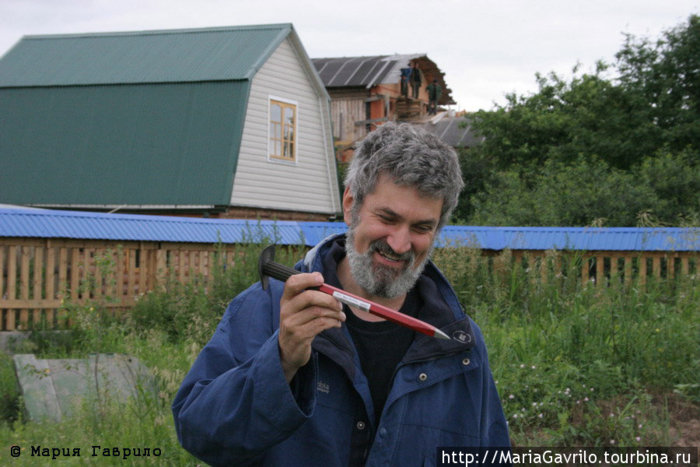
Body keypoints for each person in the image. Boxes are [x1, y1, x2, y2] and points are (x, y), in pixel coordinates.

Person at [172, 122, 510, 466]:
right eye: (387, 218)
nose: (400, 243)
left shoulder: (458, 343)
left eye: (421, 227)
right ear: (351, 205)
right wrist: (281, 360)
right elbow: (200, 435)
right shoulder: (267, 309)